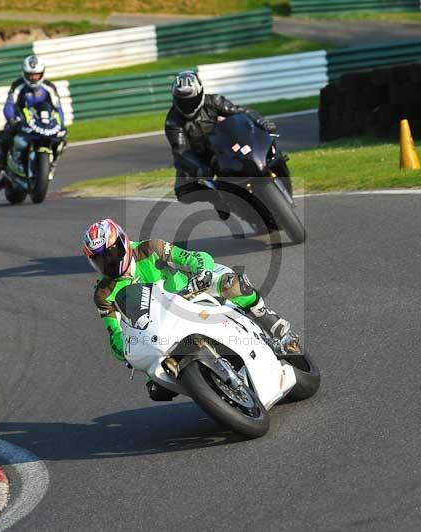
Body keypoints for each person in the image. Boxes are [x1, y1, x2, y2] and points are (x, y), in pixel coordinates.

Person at [82, 218, 297, 402]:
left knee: (231, 284)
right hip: (158, 332)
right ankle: (212, 390)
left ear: (124, 242)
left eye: (111, 253)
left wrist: (200, 272)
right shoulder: (103, 294)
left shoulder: (150, 248)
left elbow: (193, 257)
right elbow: (115, 336)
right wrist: (128, 351)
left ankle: (268, 319)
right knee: (158, 390)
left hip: (190, 296)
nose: (108, 262)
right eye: (100, 259)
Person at [164, 71, 279, 217]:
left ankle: (272, 166)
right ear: (175, 98)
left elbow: (240, 112)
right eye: (182, 101)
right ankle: (216, 198)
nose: (187, 105)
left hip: (223, 145)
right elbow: (181, 151)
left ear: (200, 94)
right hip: (199, 158)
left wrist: (261, 121)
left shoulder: (213, 101)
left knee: (257, 150)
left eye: (191, 100)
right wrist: (200, 168)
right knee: (183, 192)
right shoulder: (172, 121)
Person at [0, 55, 66, 175]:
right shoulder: (17, 85)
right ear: (24, 73)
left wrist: (60, 123)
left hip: (43, 121)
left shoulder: (49, 87)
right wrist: (12, 119)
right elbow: (9, 105)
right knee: (6, 135)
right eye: (30, 75)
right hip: (22, 120)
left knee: (61, 139)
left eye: (36, 74)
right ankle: (2, 161)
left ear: (42, 73)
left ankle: (53, 163)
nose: (33, 78)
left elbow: (58, 108)